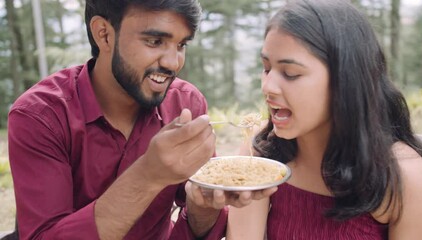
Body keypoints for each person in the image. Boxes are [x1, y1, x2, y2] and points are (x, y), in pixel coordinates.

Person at [7, 0, 275, 239]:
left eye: (181, 44)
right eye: (155, 41)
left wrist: (203, 205)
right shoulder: (41, 116)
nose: (173, 62)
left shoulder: (186, 104)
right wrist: (148, 175)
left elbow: (195, 227)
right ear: (104, 34)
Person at [227, 0, 422, 239]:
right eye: (266, 68)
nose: (267, 87)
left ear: (346, 80)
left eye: (290, 74)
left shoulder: (405, 179)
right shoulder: (261, 152)